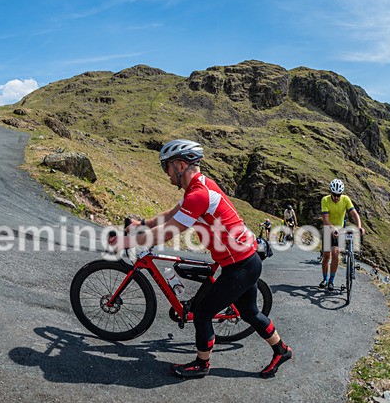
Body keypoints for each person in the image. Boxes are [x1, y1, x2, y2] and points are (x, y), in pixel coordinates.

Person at [108, 139, 292, 380]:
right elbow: (169, 216)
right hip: (243, 261)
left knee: (203, 313)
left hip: (240, 265)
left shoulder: (199, 195)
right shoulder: (198, 187)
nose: (166, 173)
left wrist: (125, 242)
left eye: (166, 167)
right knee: (249, 312)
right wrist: (141, 224)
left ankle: (201, 364)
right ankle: (281, 350)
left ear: (180, 165)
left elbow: (168, 232)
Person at [319, 178, 365, 290]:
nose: (336, 197)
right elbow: (325, 220)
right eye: (334, 195)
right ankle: (324, 279)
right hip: (328, 228)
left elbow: (354, 214)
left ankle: (331, 281)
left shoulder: (346, 200)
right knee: (326, 256)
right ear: (331, 193)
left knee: (335, 253)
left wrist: (359, 227)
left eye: (338, 195)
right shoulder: (325, 200)